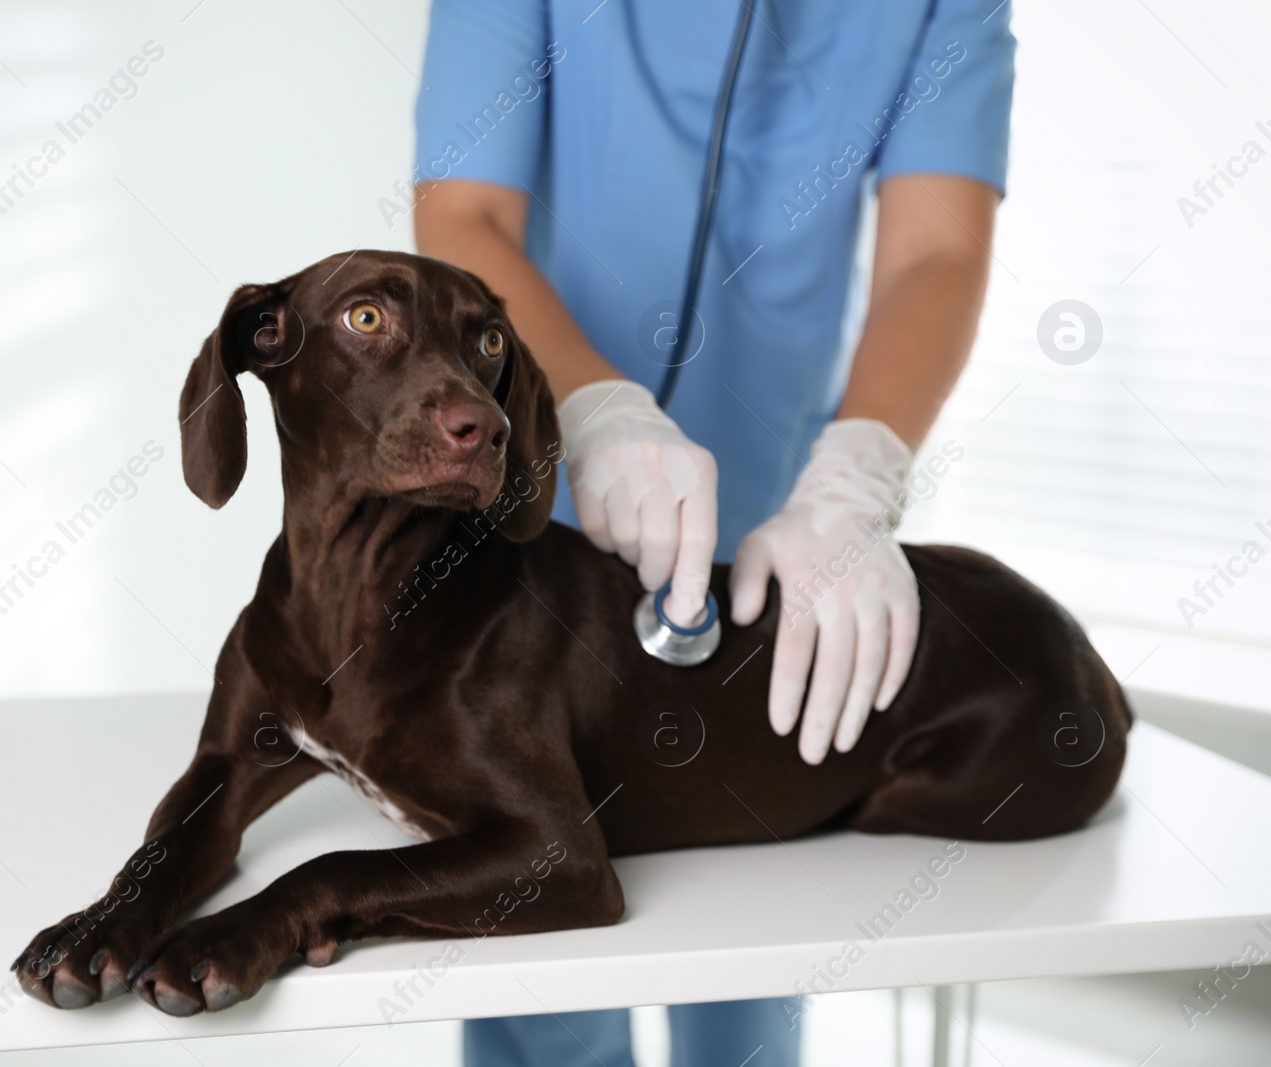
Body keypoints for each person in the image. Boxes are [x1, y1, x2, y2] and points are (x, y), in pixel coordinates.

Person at [411, 0, 1014, 1064]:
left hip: (784, 523)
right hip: (538, 511)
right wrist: (592, 408)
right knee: (541, 951)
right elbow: (465, 215)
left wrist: (860, 472)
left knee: (761, 949)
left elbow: (936, 247)